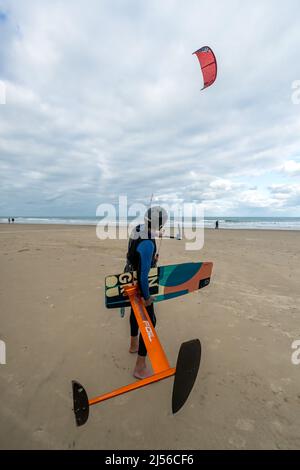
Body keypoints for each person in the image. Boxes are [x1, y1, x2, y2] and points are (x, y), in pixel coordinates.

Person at [125, 206, 168, 379]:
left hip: (128, 278)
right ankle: (140, 367)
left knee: (135, 312)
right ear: (161, 222)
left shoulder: (137, 229)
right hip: (140, 284)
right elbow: (144, 277)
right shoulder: (148, 244)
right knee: (150, 321)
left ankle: (133, 345)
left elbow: (134, 252)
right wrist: (148, 297)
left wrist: (151, 260)